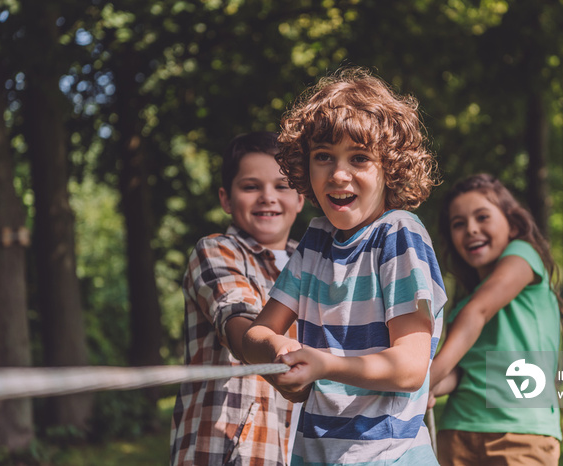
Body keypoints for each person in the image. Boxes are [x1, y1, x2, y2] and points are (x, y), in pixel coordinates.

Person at [242, 67, 447, 465]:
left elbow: (409, 367)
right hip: (315, 452)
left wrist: (324, 365)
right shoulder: (315, 242)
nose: (338, 174)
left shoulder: (398, 234)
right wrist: (278, 350)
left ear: (391, 167)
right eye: (323, 157)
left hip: (390, 456)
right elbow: (256, 335)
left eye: (359, 158)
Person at [170, 131, 305, 466]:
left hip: (294, 447)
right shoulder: (216, 250)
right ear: (226, 199)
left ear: (301, 197)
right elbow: (236, 319)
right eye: (251, 186)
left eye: (282, 185)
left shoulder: (315, 266)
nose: (267, 197)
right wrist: (273, 348)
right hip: (223, 450)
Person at [428, 173, 563, 466]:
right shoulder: (463, 306)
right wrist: (430, 388)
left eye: (482, 217)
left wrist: (420, 380)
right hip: (458, 431)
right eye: (458, 224)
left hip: (522, 434)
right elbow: (459, 374)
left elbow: (480, 310)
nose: (470, 229)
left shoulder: (524, 256)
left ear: (513, 225)